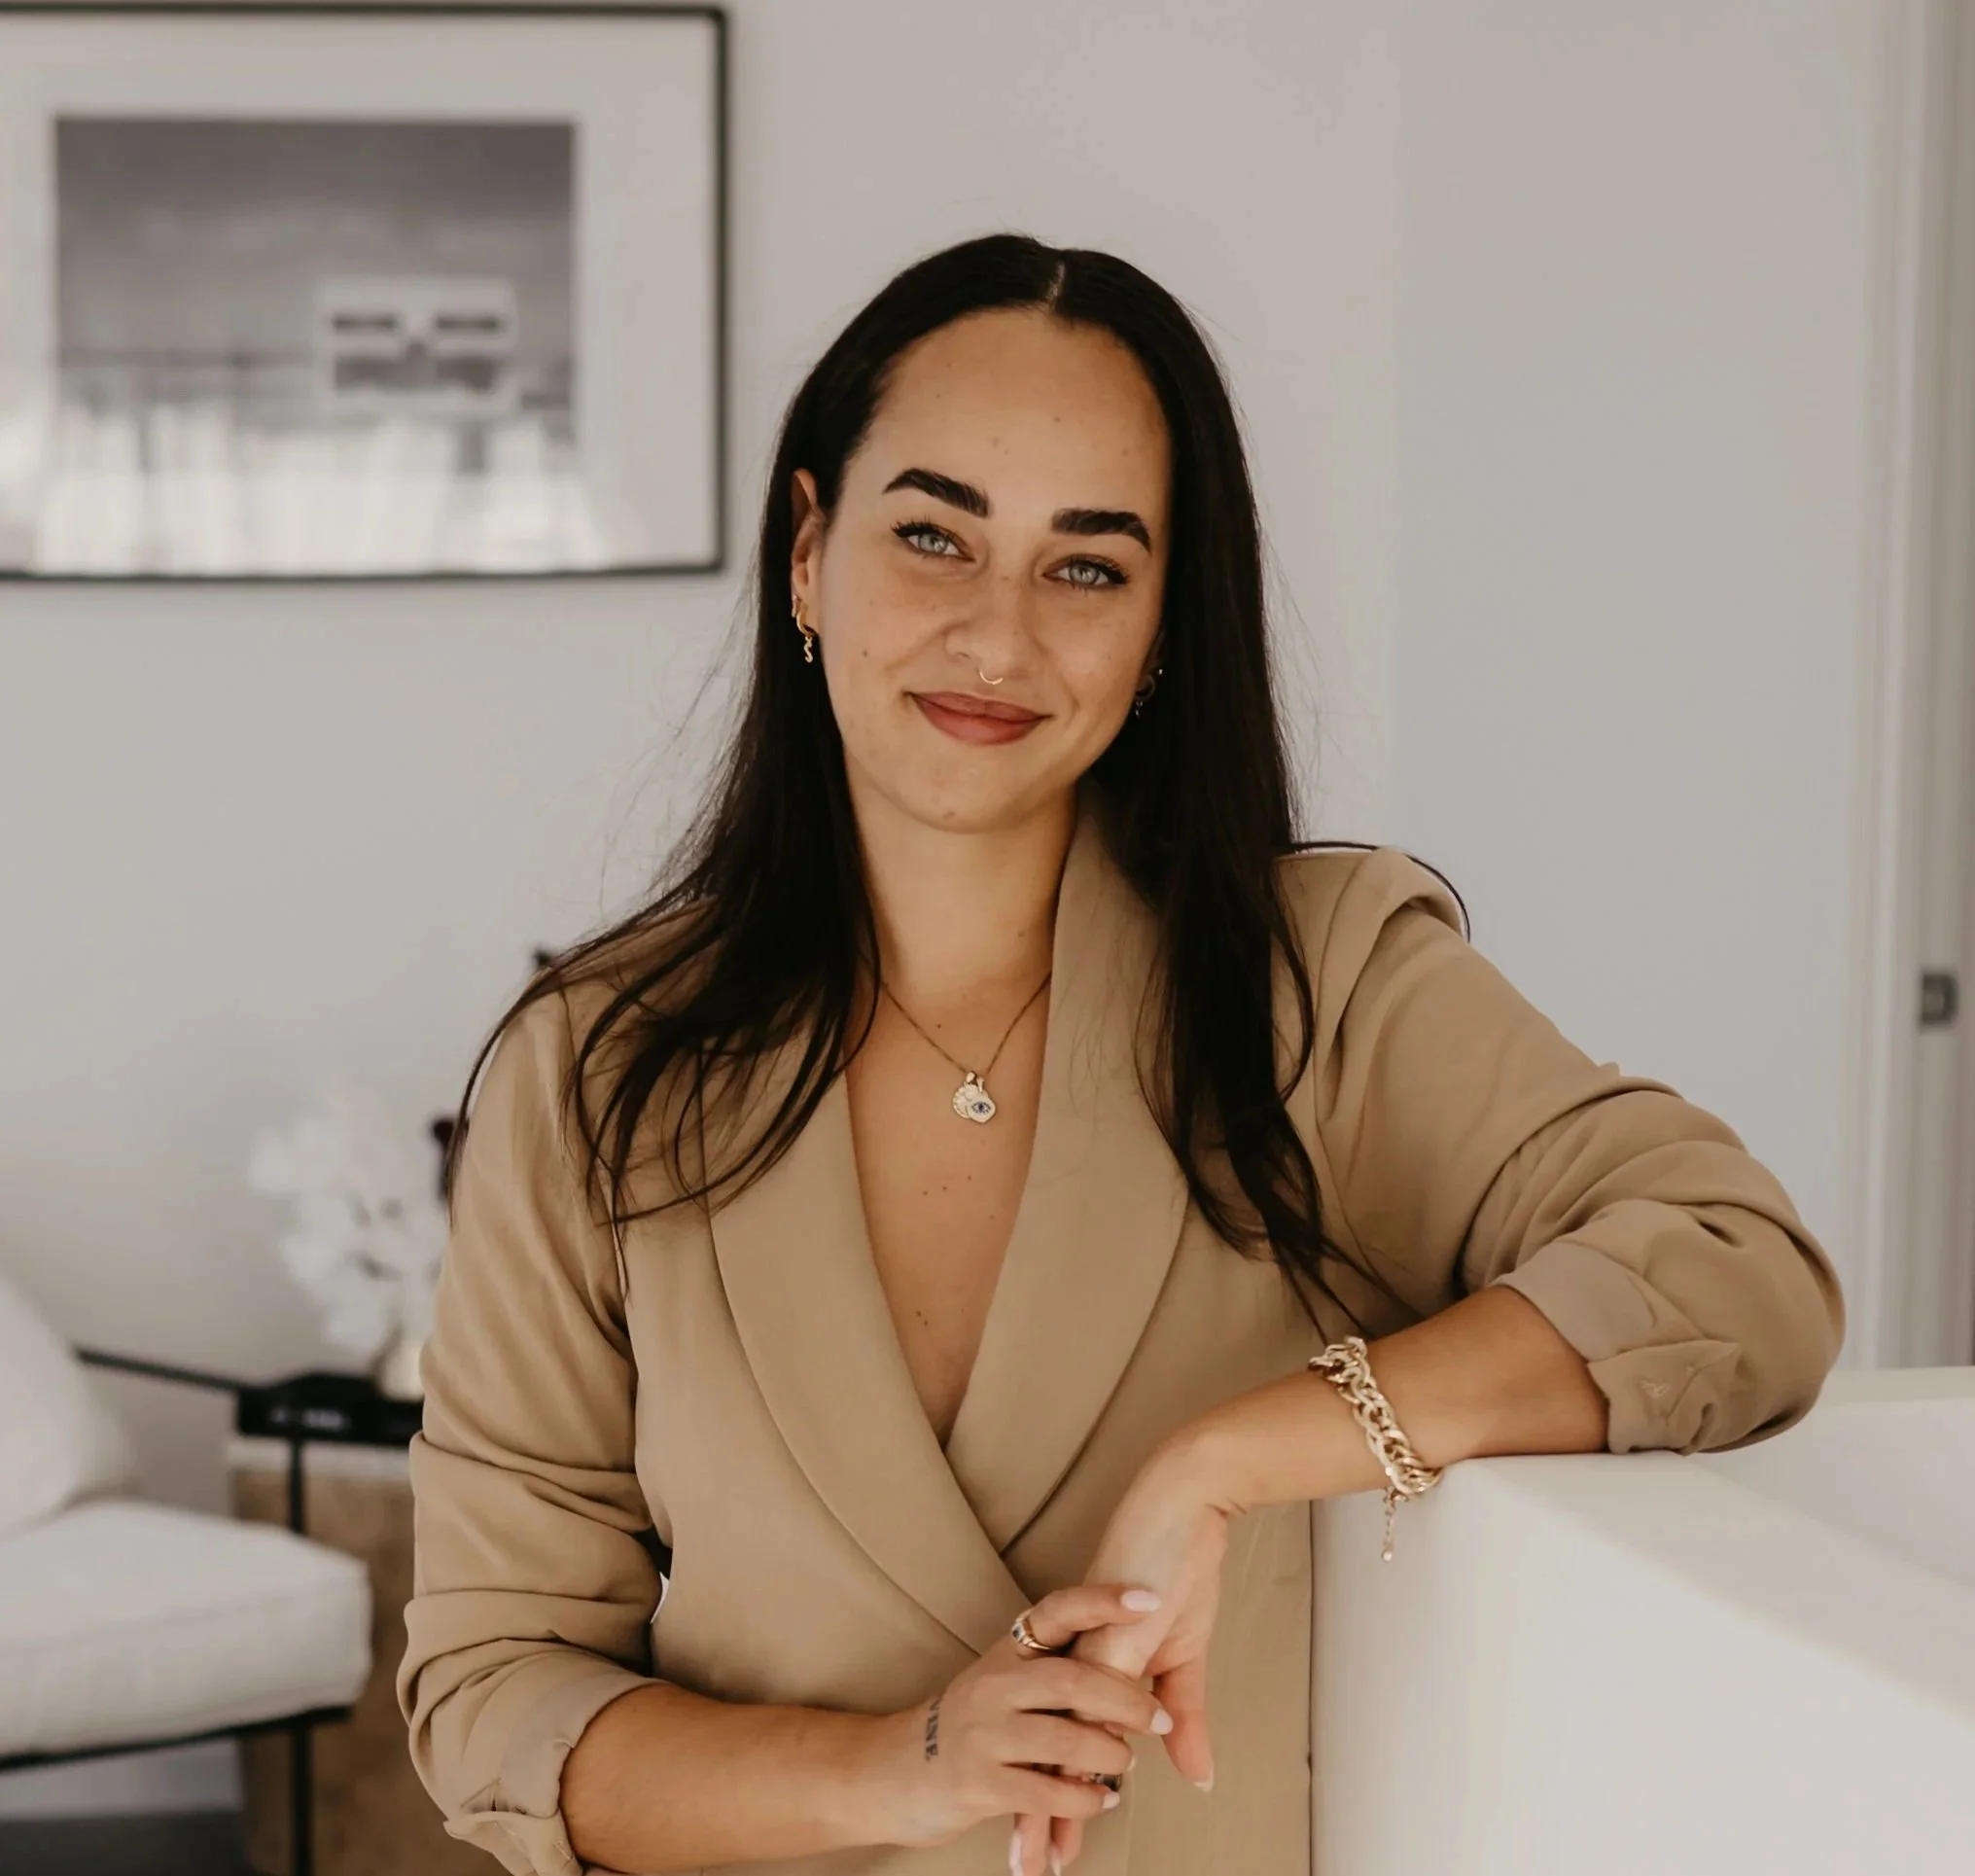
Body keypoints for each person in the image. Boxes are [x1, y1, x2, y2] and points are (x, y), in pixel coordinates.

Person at [395, 232, 1845, 1876]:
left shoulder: (1324, 986)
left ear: (1163, 628)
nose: (997, 637)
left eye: (1085, 567)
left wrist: (1234, 1455)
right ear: (807, 554)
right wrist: (898, 1770)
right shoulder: (599, 1072)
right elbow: (491, 1692)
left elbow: (1734, 1273)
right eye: (933, 536)